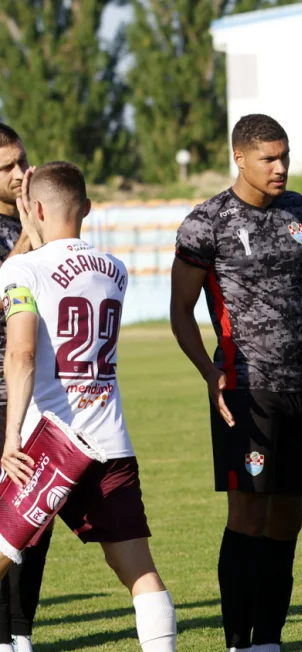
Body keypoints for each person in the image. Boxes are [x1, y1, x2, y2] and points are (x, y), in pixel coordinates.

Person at [170, 114, 302, 652]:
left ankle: (269, 640)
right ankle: (238, 641)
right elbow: (180, 313)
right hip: (243, 388)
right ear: (240, 158)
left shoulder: (298, 212)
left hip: (296, 388)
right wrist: (209, 372)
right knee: (249, 513)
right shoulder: (204, 222)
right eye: (269, 158)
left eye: (285, 156)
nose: (281, 167)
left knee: (289, 515)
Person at [0, 161, 177, 651]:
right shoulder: (115, 269)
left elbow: (21, 353)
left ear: (33, 209)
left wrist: (12, 433)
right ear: (89, 208)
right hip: (109, 439)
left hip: (47, 444)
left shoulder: (22, 269)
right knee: (139, 573)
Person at [0, 124, 50, 652]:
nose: (18, 175)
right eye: (7, 168)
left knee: (34, 520)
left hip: (38, 394)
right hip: (1, 391)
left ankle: (22, 632)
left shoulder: (39, 217)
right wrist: (26, 241)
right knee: (1, 521)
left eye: (23, 163)